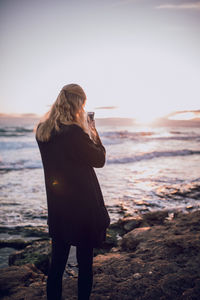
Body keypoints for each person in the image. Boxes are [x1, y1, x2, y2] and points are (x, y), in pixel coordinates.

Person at [35, 83, 110, 300]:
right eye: (83, 105)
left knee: (56, 267)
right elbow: (99, 159)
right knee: (85, 265)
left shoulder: (42, 132)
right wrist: (93, 131)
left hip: (58, 208)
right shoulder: (75, 132)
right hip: (83, 208)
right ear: (78, 103)